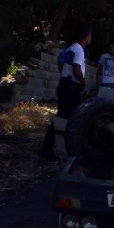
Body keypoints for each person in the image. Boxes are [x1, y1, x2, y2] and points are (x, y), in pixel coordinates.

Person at [37, 26, 91, 160]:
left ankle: (48, 148)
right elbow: (77, 69)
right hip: (71, 88)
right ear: (86, 37)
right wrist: (83, 83)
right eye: (90, 36)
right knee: (75, 117)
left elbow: (62, 67)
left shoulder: (71, 48)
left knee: (62, 117)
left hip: (65, 85)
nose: (90, 39)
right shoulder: (79, 49)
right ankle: (57, 149)